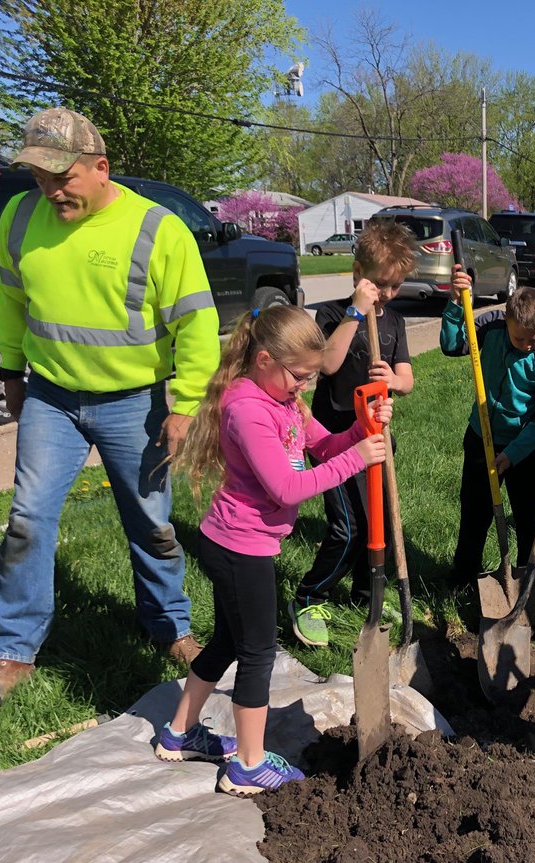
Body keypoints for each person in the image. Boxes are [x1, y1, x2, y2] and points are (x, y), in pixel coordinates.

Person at [0, 107, 221, 711]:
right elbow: (7, 295)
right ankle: (11, 650)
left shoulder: (157, 229)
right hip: (51, 397)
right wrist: (14, 369)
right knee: (27, 519)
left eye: (62, 177)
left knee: (151, 524)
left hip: (135, 402)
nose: (51, 191)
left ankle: (170, 628)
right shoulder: (19, 217)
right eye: (39, 178)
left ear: (101, 167)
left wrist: (184, 405)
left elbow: (196, 324)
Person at [156, 304, 391, 795]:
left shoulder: (284, 400)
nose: (304, 385)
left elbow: (324, 446)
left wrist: (361, 429)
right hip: (238, 547)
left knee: (227, 642)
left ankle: (179, 734)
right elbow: (286, 488)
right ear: (264, 360)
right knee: (258, 653)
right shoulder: (247, 410)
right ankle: (248, 764)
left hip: (240, 542)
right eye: (299, 376)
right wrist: (358, 459)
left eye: (309, 377)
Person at [292, 221, 417, 644]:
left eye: (396, 285)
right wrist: (355, 312)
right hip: (333, 441)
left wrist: (393, 381)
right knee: (349, 530)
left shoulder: (394, 321)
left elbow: (407, 379)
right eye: (380, 284)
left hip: (376, 439)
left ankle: (368, 594)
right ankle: (310, 595)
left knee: (379, 522)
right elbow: (327, 364)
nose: (388, 294)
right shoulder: (332, 314)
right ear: (358, 273)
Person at [442, 266, 535, 595]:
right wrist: (456, 304)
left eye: (533, 339)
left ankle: (532, 582)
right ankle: (463, 575)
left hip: (527, 448)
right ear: (507, 321)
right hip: (482, 437)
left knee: (528, 518)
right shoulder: (492, 326)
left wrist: (512, 454)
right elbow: (453, 345)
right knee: (475, 510)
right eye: (519, 339)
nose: (526, 346)